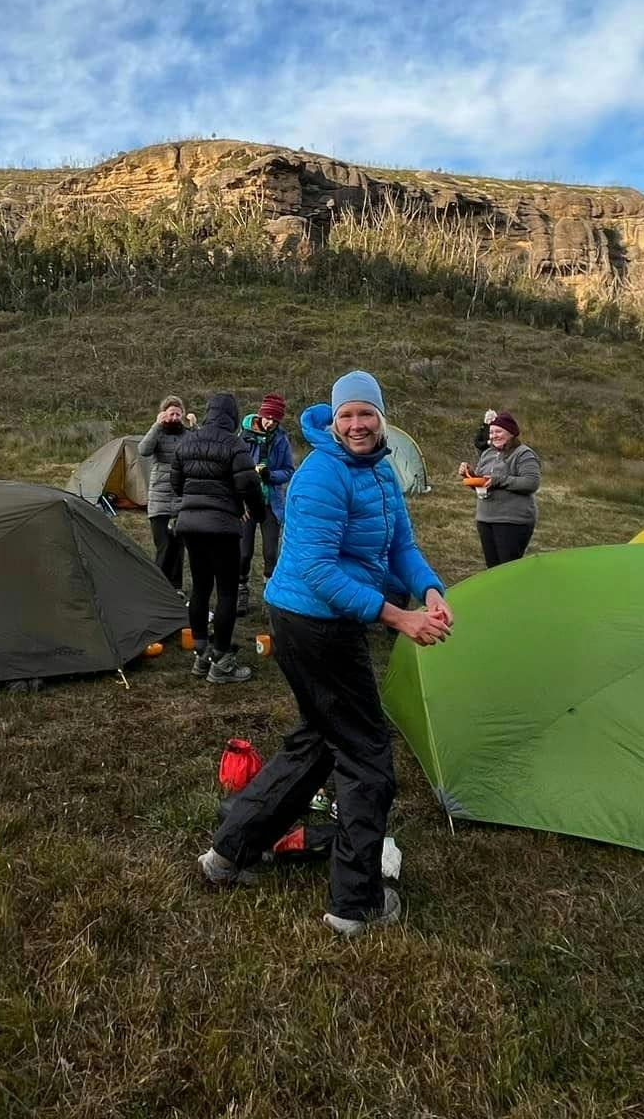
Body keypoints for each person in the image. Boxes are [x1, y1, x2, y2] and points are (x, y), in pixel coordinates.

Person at [199, 370, 453, 937]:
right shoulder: (320, 474)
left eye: (367, 414)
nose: (358, 425)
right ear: (333, 422)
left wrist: (431, 590)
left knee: (317, 741)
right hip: (311, 622)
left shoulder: (382, 473)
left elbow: (401, 547)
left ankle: (229, 851)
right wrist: (395, 616)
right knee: (366, 756)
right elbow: (316, 569)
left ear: (382, 418)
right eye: (347, 416)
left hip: (331, 618)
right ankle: (355, 904)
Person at [169, 392, 267, 684]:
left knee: (200, 586)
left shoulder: (187, 441)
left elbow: (176, 483)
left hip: (190, 525)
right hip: (223, 527)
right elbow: (249, 485)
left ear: (208, 412)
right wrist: (255, 513)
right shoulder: (235, 445)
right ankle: (222, 660)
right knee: (226, 591)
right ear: (233, 416)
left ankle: (201, 654)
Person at [236, 392, 296, 613]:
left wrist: (270, 475)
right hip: (247, 503)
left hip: (272, 503)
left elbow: (289, 470)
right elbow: (234, 469)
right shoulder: (243, 436)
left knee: (271, 552)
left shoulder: (281, 439)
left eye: (275, 419)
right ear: (260, 415)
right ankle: (241, 592)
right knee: (244, 552)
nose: (270, 422)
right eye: (267, 417)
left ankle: (271, 596)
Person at [460, 410, 541, 567]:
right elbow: (484, 483)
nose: (494, 435)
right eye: (491, 432)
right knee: (493, 570)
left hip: (512, 521)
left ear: (511, 433)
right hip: (485, 520)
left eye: (498, 431)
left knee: (508, 570)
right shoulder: (488, 454)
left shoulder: (523, 454)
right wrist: (469, 475)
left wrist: (499, 480)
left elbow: (531, 483)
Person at [138, 395, 193, 596]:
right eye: (171, 413)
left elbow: (199, 449)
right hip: (159, 497)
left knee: (178, 544)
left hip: (181, 497)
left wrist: (194, 428)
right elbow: (143, 450)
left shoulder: (187, 434)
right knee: (164, 544)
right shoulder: (158, 432)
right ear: (163, 414)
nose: (175, 417)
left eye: (178, 414)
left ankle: (176, 587)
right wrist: (156, 426)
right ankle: (157, 587)